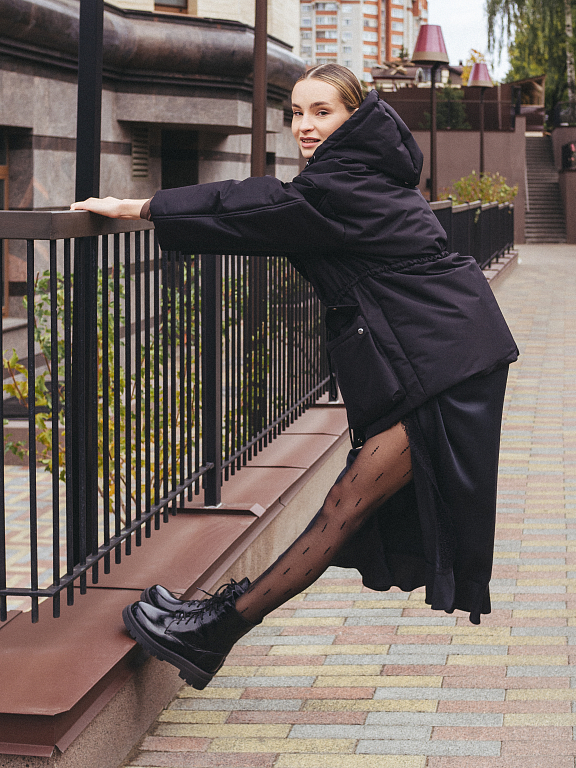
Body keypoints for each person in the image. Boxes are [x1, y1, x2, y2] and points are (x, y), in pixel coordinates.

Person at [71, 64, 518, 690]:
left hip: (445, 366)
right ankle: (211, 620)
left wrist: (139, 205)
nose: (305, 126)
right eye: (297, 114)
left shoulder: (344, 185)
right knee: (346, 508)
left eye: (322, 112)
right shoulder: (354, 175)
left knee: (343, 510)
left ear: (354, 117)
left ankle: (212, 631)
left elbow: (256, 203)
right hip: (443, 354)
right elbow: (271, 208)